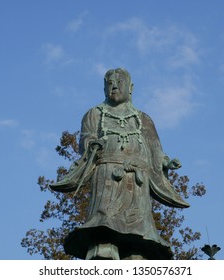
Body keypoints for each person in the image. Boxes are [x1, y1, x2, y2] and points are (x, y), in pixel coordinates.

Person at [50, 68, 189, 260]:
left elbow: (155, 150)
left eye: (119, 82)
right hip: (108, 177)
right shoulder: (94, 114)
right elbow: (86, 140)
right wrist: (93, 145)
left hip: (137, 182)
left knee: (138, 240)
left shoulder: (143, 119)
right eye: (109, 83)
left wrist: (166, 162)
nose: (114, 86)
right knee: (104, 229)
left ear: (130, 88)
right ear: (104, 88)